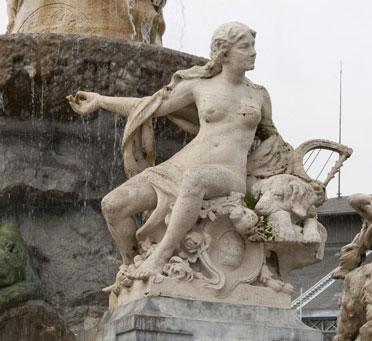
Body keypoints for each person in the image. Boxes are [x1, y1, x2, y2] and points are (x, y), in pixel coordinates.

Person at [67, 22, 278, 278]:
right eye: (246, 47)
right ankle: (132, 266)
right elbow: (149, 106)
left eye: (253, 46)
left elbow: (273, 140)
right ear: (224, 52)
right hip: (181, 166)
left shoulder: (259, 96)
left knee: (196, 179)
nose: (254, 52)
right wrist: (101, 101)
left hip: (228, 174)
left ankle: (160, 256)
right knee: (112, 205)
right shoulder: (200, 85)